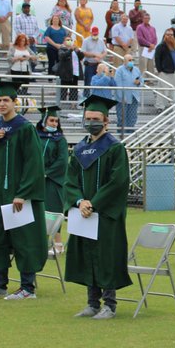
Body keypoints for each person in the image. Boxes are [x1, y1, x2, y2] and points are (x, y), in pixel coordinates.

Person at [0, 79, 48, 300]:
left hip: (17, 194)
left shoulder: (24, 128)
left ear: (15, 102)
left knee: (23, 238)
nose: (2, 104)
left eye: (6, 100)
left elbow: (34, 163)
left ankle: (27, 287)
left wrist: (23, 193)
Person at [63, 95, 133, 319]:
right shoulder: (80, 149)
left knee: (106, 256)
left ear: (106, 121)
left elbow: (118, 182)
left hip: (106, 214)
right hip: (84, 213)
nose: (91, 121)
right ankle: (92, 303)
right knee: (87, 255)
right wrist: (79, 202)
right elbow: (69, 181)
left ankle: (109, 305)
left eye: (96, 118)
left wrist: (94, 203)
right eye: (88, 118)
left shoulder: (114, 149)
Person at [35, 106, 68, 251]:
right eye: (51, 120)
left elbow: (62, 160)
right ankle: (40, 242)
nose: (54, 124)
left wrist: (46, 173)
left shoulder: (60, 140)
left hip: (53, 180)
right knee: (37, 210)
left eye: (56, 121)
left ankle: (58, 243)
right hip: (36, 180)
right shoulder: (35, 136)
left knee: (53, 209)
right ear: (44, 121)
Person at [113, 55, 143, 131]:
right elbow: (118, 84)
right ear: (124, 61)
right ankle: (121, 134)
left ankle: (130, 133)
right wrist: (122, 97)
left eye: (132, 60)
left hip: (134, 97)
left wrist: (138, 82)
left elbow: (142, 81)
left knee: (132, 117)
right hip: (123, 98)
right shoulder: (120, 70)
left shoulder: (136, 70)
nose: (131, 61)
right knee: (122, 117)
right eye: (129, 60)